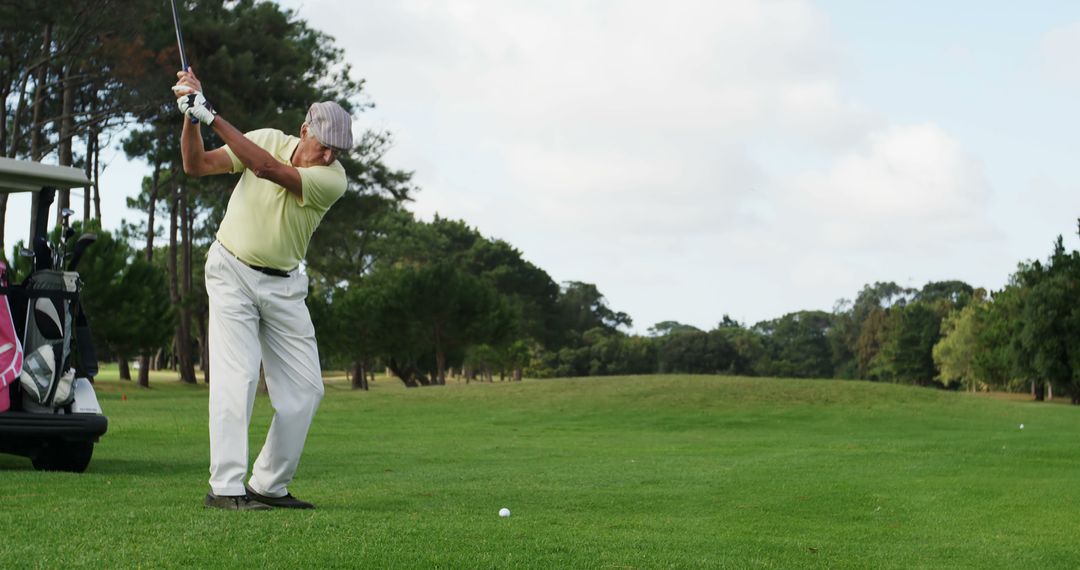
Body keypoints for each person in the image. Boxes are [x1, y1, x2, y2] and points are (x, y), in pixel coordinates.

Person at [173, 69, 350, 510]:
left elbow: (265, 168)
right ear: (304, 129)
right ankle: (226, 488)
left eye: (336, 151)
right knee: (239, 376)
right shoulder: (269, 137)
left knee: (306, 391)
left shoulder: (333, 180)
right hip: (231, 270)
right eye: (323, 144)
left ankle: (268, 485)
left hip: (286, 286)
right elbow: (196, 166)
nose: (328, 156)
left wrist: (210, 114)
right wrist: (191, 119)